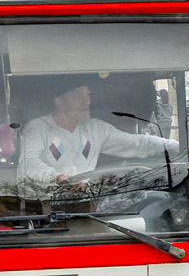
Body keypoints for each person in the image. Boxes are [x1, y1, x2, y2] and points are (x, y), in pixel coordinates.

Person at [17, 75, 180, 191]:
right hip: (47, 212)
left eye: (87, 94)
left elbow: (137, 143)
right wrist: (56, 177)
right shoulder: (38, 128)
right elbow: (28, 162)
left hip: (86, 207)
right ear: (59, 101)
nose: (86, 100)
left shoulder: (96, 129)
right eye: (77, 96)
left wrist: (178, 146)